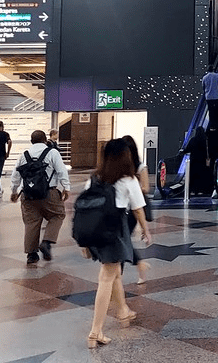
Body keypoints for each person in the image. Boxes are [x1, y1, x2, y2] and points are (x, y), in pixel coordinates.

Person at [85, 138, 150, 349]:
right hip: (114, 230)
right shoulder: (128, 180)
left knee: (114, 274)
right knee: (106, 277)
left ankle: (123, 310)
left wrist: (85, 241)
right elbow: (138, 208)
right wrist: (146, 230)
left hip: (94, 230)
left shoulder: (95, 178)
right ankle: (96, 331)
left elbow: (84, 207)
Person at [9, 130, 70, 265]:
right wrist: (66, 188)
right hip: (49, 193)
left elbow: (15, 175)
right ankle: (47, 242)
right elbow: (61, 170)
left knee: (31, 222)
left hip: (28, 195)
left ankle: (31, 255)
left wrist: (14, 191)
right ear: (45, 140)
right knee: (58, 215)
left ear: (31, 141)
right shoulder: (52, 153)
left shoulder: (24, 155)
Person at [121, 135, 151, 283]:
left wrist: (132, 186)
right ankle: (138, 265)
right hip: (120, 208)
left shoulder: (140, 167)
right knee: (121, 240)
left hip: (132, 209)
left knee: (121, 240)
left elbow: (145, 188)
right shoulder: (118, 167)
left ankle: (137, 265)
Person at [183, 126, 212, 195]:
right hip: (202, 162)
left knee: (193, 176)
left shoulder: (193, 140)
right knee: (201, 176)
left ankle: (193, 190)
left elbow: (187, 150)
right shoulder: (205, 140)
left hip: (193, 161)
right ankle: (201, 190)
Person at [201, 65, 218, 131]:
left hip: (208, 97)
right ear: (213, 69)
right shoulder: (217, 76)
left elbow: (203, 87)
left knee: (211, 112)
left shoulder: (204, 77)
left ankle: (212, 127)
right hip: (217, 96)